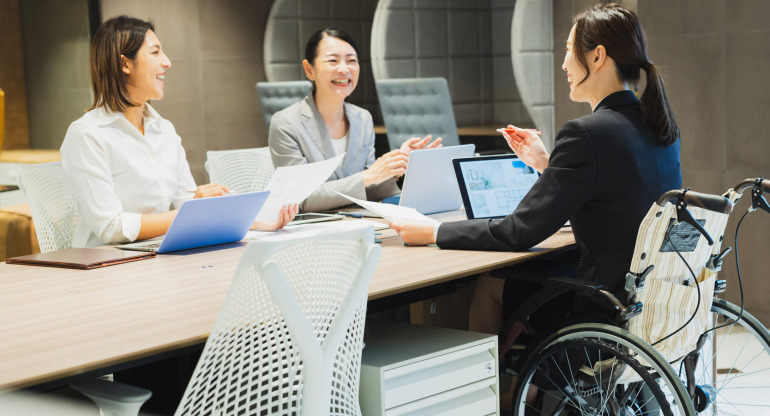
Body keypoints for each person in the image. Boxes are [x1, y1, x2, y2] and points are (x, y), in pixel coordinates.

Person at [392, 3, 682, 330]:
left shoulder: (587, 133)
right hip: (645, 304)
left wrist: (433, 231)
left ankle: (504, 381)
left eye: (570, 51)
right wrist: (546, 164)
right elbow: (615, 196)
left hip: (599, 307)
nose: (564, 64)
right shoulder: (659, 127)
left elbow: (518, 232)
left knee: (491, 282)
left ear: (597, 57)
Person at [61, 16, 296, 248]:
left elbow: (187, 202)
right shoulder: (87, 134)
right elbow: (110, 227)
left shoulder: (164, 130)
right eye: (155, 53)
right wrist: (191, 211)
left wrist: (259, 223)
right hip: (104, 266)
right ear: (125, 64)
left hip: (156, 254)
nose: (167, 62)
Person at [269, 28, 441, 212]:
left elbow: (367, 191)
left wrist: (396, 169)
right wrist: (369, 176)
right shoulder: (286, 123)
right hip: (312, 228)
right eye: (332, 61)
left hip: (357, 221)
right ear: (309, 70)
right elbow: (300, 199)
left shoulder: (363, 119)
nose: (344, 69)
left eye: (352, 61)